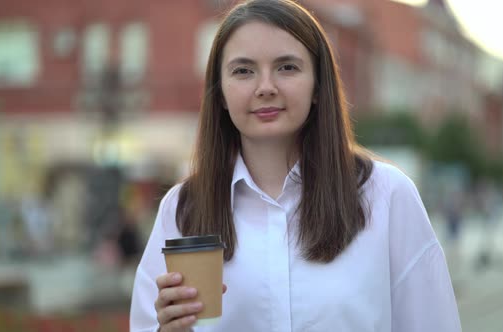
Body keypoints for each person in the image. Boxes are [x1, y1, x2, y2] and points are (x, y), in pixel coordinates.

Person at [130, 0, 461, 331]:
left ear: (319, 85)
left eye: (286, 67)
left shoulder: (387, 196)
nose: (265, 87)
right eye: (243, 71)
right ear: (220, 95)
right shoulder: (182, 208)